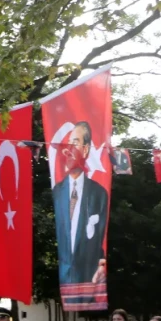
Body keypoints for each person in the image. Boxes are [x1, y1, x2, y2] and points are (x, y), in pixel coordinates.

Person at [52, 121, 110, 285]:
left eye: (75, 142)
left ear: (85, 150)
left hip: (89, 278)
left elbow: (100, 240)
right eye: (68, 143)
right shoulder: (57, 192)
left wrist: (101, 265)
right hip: (63, 277)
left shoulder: (99, 194)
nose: (69, 148)